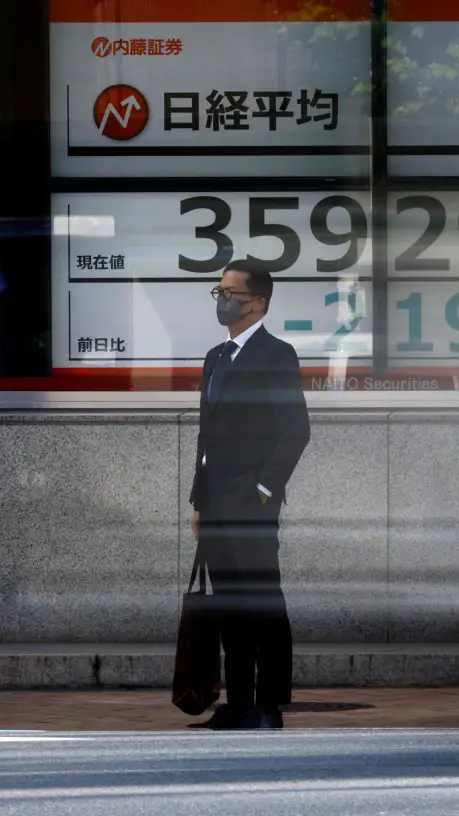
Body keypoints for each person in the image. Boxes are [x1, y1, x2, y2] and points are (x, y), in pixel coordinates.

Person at [188, 260, 310, 730]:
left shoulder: (277, 354)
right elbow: (206, 436)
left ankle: (270, 704)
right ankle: (238, 703)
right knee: (230, 606)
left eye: (231, 292)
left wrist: (264, 489)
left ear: (257, 302)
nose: (222, 300)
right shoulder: (215, 357)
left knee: (263, 603)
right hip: (216, 503)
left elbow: (294, 431)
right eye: (218, 291)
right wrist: (199, 500)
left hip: (251, 504)